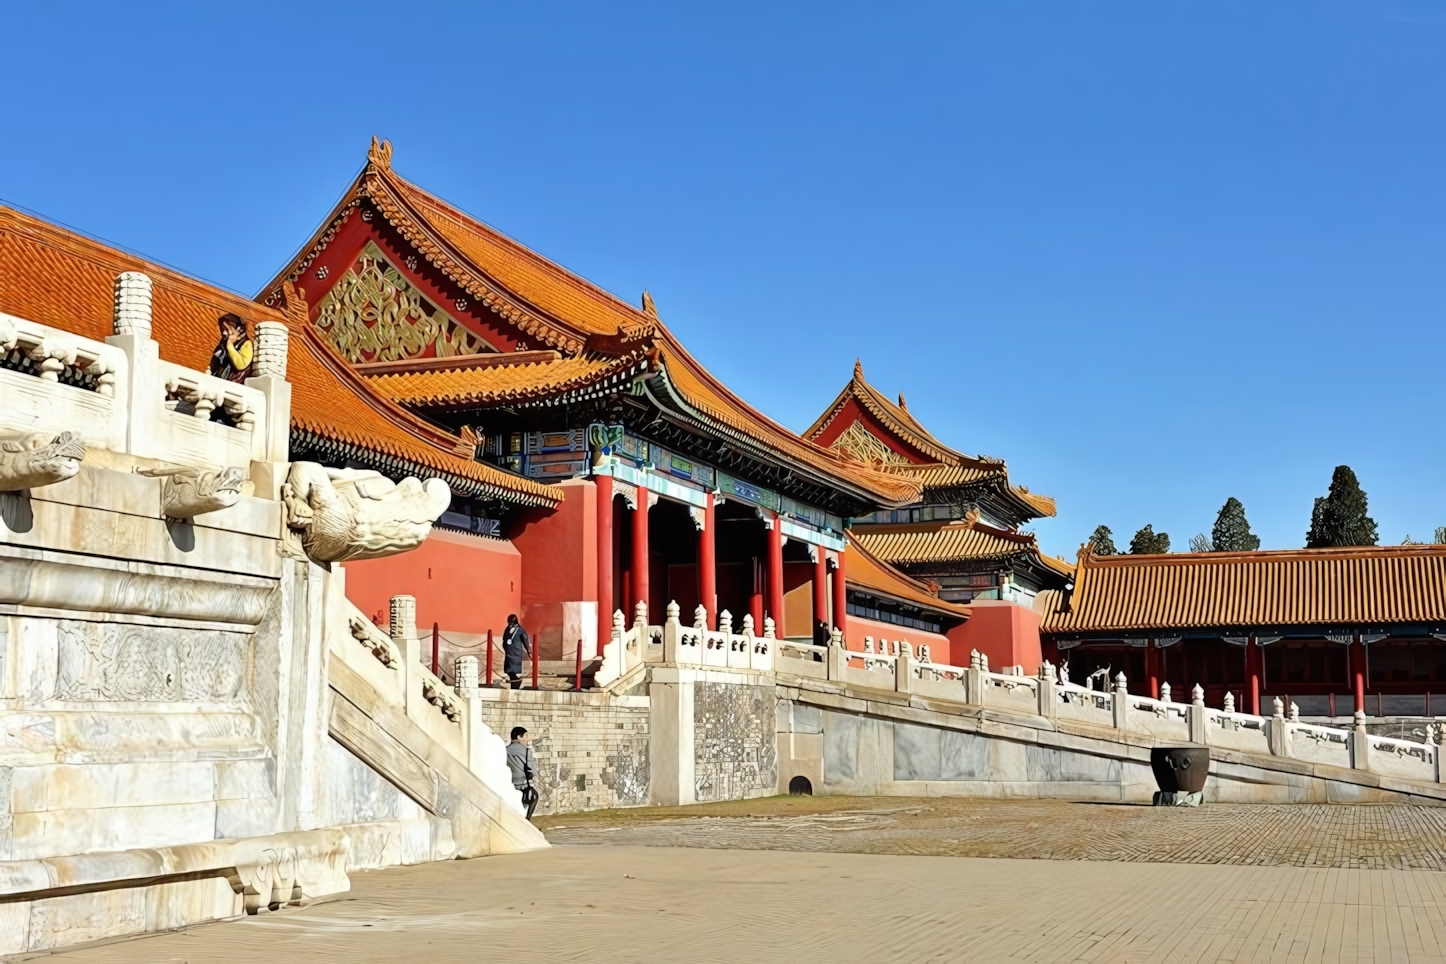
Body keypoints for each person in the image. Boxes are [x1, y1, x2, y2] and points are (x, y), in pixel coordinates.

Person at [209, 313, 254, 383]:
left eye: (228, 329)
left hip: (235, 384)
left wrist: (230, 346)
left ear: (239, 329)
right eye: (222, 329)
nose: (224, 332)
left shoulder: (246, 344)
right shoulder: (223, 344)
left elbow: (241, 364)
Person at [506, 726, 539, 819]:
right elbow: (531, 769)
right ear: (519, 737)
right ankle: (527, 820)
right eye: (525, 736)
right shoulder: (526, 750)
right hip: (523, 785)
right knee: (533, 798)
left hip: (509, 784)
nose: (526, 738)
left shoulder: (504, 750)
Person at [502, 613, 531, 689]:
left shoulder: (520, 630)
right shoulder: (507, 629)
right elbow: (504, 639)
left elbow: (525, 642)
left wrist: (529, 652)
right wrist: (505, 647)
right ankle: (515, 682)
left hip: (516, 653)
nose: (510, 624)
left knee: (513, 669)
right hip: (508, 653)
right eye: (509, 622)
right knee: (508, 669)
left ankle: (515, 683)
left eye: (511, 623)